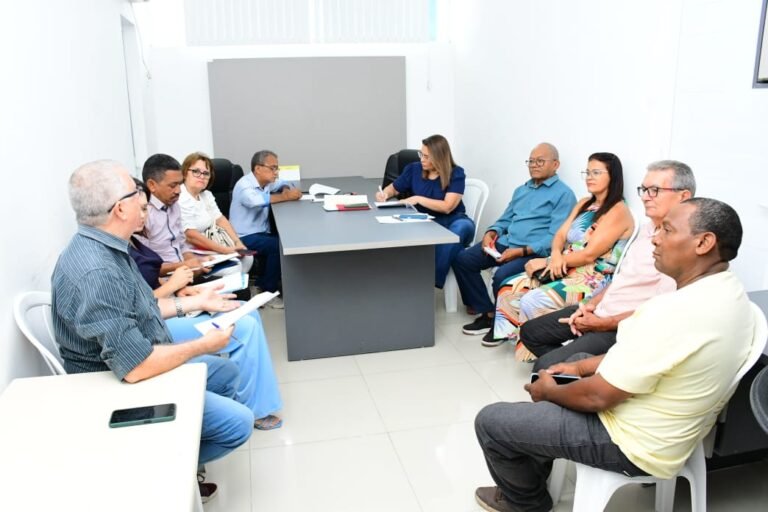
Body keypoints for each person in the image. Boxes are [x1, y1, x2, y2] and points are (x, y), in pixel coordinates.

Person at [474, 197, 754, 512]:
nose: (655, 239)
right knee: (569, 366)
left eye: (667, 230)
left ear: (703, 242)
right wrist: (581, 369)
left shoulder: (672, 311)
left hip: (631, 442)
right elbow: (655, 359)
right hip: (670, 426)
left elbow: (597, 397)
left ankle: (527, 503)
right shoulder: (731, 294)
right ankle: (539, 452)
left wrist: (549, 392)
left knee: (492, 421)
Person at [51, 160, 255, 502]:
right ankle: (162, 469)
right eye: (135, 194)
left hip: (141, 353)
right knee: (239, 424)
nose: (143, 199)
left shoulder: (109, 247)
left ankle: (178, 448)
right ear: (119, 208)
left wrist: (197, 302)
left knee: (226, 373)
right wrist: (203, 345)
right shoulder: (98, 271)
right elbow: (135, 367)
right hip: (119, 384)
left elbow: (142, 308)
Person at [129, 179, 284, 430]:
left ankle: (253, 400)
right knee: (245, 328)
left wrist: (185, 291)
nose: (145, 215)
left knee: (247, 313)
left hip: (167, 304)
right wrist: (177, 290)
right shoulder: (116, 254)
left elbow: (148, 283)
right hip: (154, 323)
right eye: (141, 208)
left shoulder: (133, 242)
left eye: (145, 208)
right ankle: (255, 410)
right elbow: (140, 306)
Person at [521, 160, 695, 371]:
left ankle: (579, 369)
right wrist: (590, 305)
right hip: (602, 310)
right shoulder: (648, 229)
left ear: (683, 196)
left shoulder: (681, 246)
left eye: (655, 190)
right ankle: (583, 370)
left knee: (544, 366)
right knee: (530, 332)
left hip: (621, 326)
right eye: (644, 189)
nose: (645, 197)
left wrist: (605, 323)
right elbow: (620, 279)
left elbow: (656, 312)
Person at [489, 152, 635, 355]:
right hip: (564, 265)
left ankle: (545, 354)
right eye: (587, 172)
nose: (589, 177)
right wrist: (555, 256)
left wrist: (548, 261)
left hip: (591, 277)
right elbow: (560, 235)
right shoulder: (584, 203)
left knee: (533, 299)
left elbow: (589, 255)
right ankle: (522, 342)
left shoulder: (618, 211)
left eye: (596, 172)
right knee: (509, 288)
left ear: (613, 177)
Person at [456, 143, 577, 338]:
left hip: (533, 251)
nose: (534, 165)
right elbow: (505, 218)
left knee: (501, 276)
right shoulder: (522, 190)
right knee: (463, 260)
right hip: (507, 243)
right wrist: (491, 231)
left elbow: (556, 237)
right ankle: (487, 313)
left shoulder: (564, 195)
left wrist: (521, 251)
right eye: (531, 161)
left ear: (556, 164)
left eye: (540, 161)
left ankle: (502, 328)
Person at [376, 135, 475, 288]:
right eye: (421, 154)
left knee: (459, 229)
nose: (422, 159)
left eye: (427, 156)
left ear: (439, 157)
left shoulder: (456, 173)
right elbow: (394, 188)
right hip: (425, 222)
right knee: (450, 248)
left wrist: (418, 199)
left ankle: (431, 281)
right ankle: (423, 281)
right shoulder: (414, 169)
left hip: (454, 220)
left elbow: (447, 207)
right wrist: (385, 194)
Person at [230, 150, 302, 308]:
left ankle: (266, 283)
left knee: (284, 239)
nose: (276, 172)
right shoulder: (244, 185)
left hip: (260, 232)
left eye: (277, 168)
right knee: (278, 246)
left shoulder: (266, 182)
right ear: (258, 169)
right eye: (273, 168)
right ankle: (268, 292)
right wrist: (286, 196)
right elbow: (255, 201)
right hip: (242, 237)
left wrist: (285, 189)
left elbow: (284, 182)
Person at [178, 151, 254, 274]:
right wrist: (224, 250)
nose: (202, 176)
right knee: (233, 268)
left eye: (206, 173)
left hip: (212, 244)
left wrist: (237, 242)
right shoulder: (181, 197)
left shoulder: (206, 195)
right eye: (196, 171)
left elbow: (220, 219)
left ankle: (239, 285)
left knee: (247, 258)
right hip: (192, 251)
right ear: (185, 173)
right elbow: (190, 235)